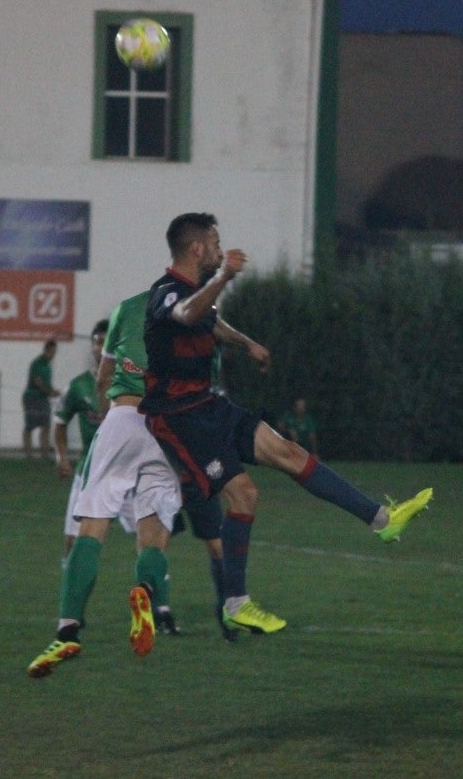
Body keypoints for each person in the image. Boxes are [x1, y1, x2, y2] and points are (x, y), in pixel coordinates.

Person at [141, 212, 434, 636]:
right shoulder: (167, 293)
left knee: (289, 451)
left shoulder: (196, 294)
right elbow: (187, 315)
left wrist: (248, 344)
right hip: (178, 418)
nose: (221, 251)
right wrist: (224, 276)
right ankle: (236, 604)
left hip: (208, 405)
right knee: (244, 493)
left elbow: (210, 321)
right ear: (197, 249)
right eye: (216, 244)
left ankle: (384, 521)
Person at [27, 292, 228, 678]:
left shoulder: (130, 310)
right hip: (169, 427)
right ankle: (147, 594)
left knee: (91, 527)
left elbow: (103, 378)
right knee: (152, 534)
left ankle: (68, 627)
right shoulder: (202, 332)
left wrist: (109, 417)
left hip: (124, 417)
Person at [53, 321, 109, 559]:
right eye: (99, 342)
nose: (103, 347)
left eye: (109, 342)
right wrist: (61, 456)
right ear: (93, 347)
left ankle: (154, 589)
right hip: (89, 470)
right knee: (74, 538)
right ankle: (69, 587)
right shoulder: (78, 386)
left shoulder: (133, 384)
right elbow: (60, 422)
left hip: (127, 470)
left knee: (151, 537)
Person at [22, 338, 60, 460]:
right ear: (46, 350)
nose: (54, 355)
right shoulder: (37, 363)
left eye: (55, 352)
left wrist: (53, 391)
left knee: (46, 426)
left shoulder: (48, 366)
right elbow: (38, 382)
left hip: (44, 398)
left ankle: (44, 454)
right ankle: (28, 454)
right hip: (32, 397)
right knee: (30, 426)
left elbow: (46, 384)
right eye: (52, 352)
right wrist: (51, 392)